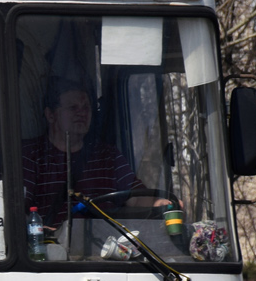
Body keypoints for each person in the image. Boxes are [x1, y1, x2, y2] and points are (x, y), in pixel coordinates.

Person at [21, 80, 162, 228]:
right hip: (52, 248)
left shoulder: (108, 156)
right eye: (73, 108)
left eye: (86, 107)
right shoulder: (30, 155)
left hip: (105, 246)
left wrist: (159, 203)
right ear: (50, 115)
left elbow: (136, 197)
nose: (82, 113)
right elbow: (17, 211)